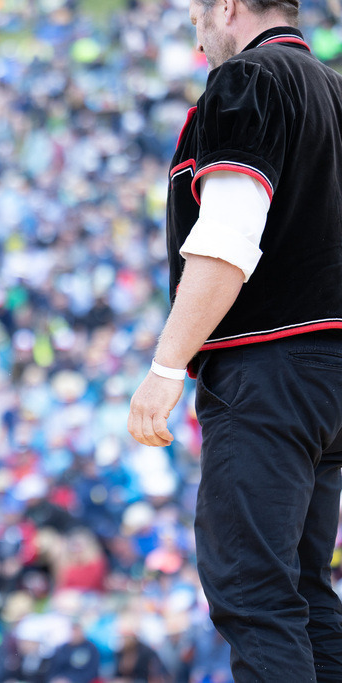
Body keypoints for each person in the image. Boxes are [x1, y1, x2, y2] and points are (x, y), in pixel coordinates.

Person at [128, 1, 342, 679]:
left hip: (273, 370)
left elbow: (227, 237)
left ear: (226, 5)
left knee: (253, 593)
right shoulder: (335, 91)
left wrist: (167, 365)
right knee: (304, 592)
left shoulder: (251, 77)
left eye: (197, 13)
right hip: (328, 378)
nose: (195, 32)